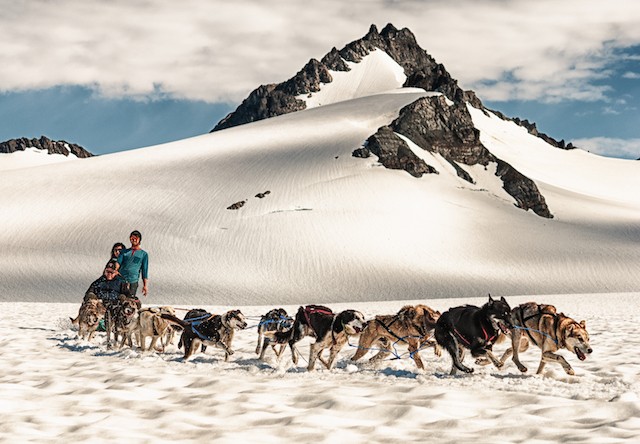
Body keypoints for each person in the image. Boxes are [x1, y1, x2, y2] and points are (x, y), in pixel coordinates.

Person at [115, 230, 149, 299]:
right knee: (119, 299)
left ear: (139, 240)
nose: (134, 240)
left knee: (129, 301)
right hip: (121, 280)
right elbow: (118, 262)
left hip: (133, 281)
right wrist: (115, 270)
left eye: (136, 238)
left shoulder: (143, 254)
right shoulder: (124, 252)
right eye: (132, 238)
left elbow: (144, 270)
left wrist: (145, 285)